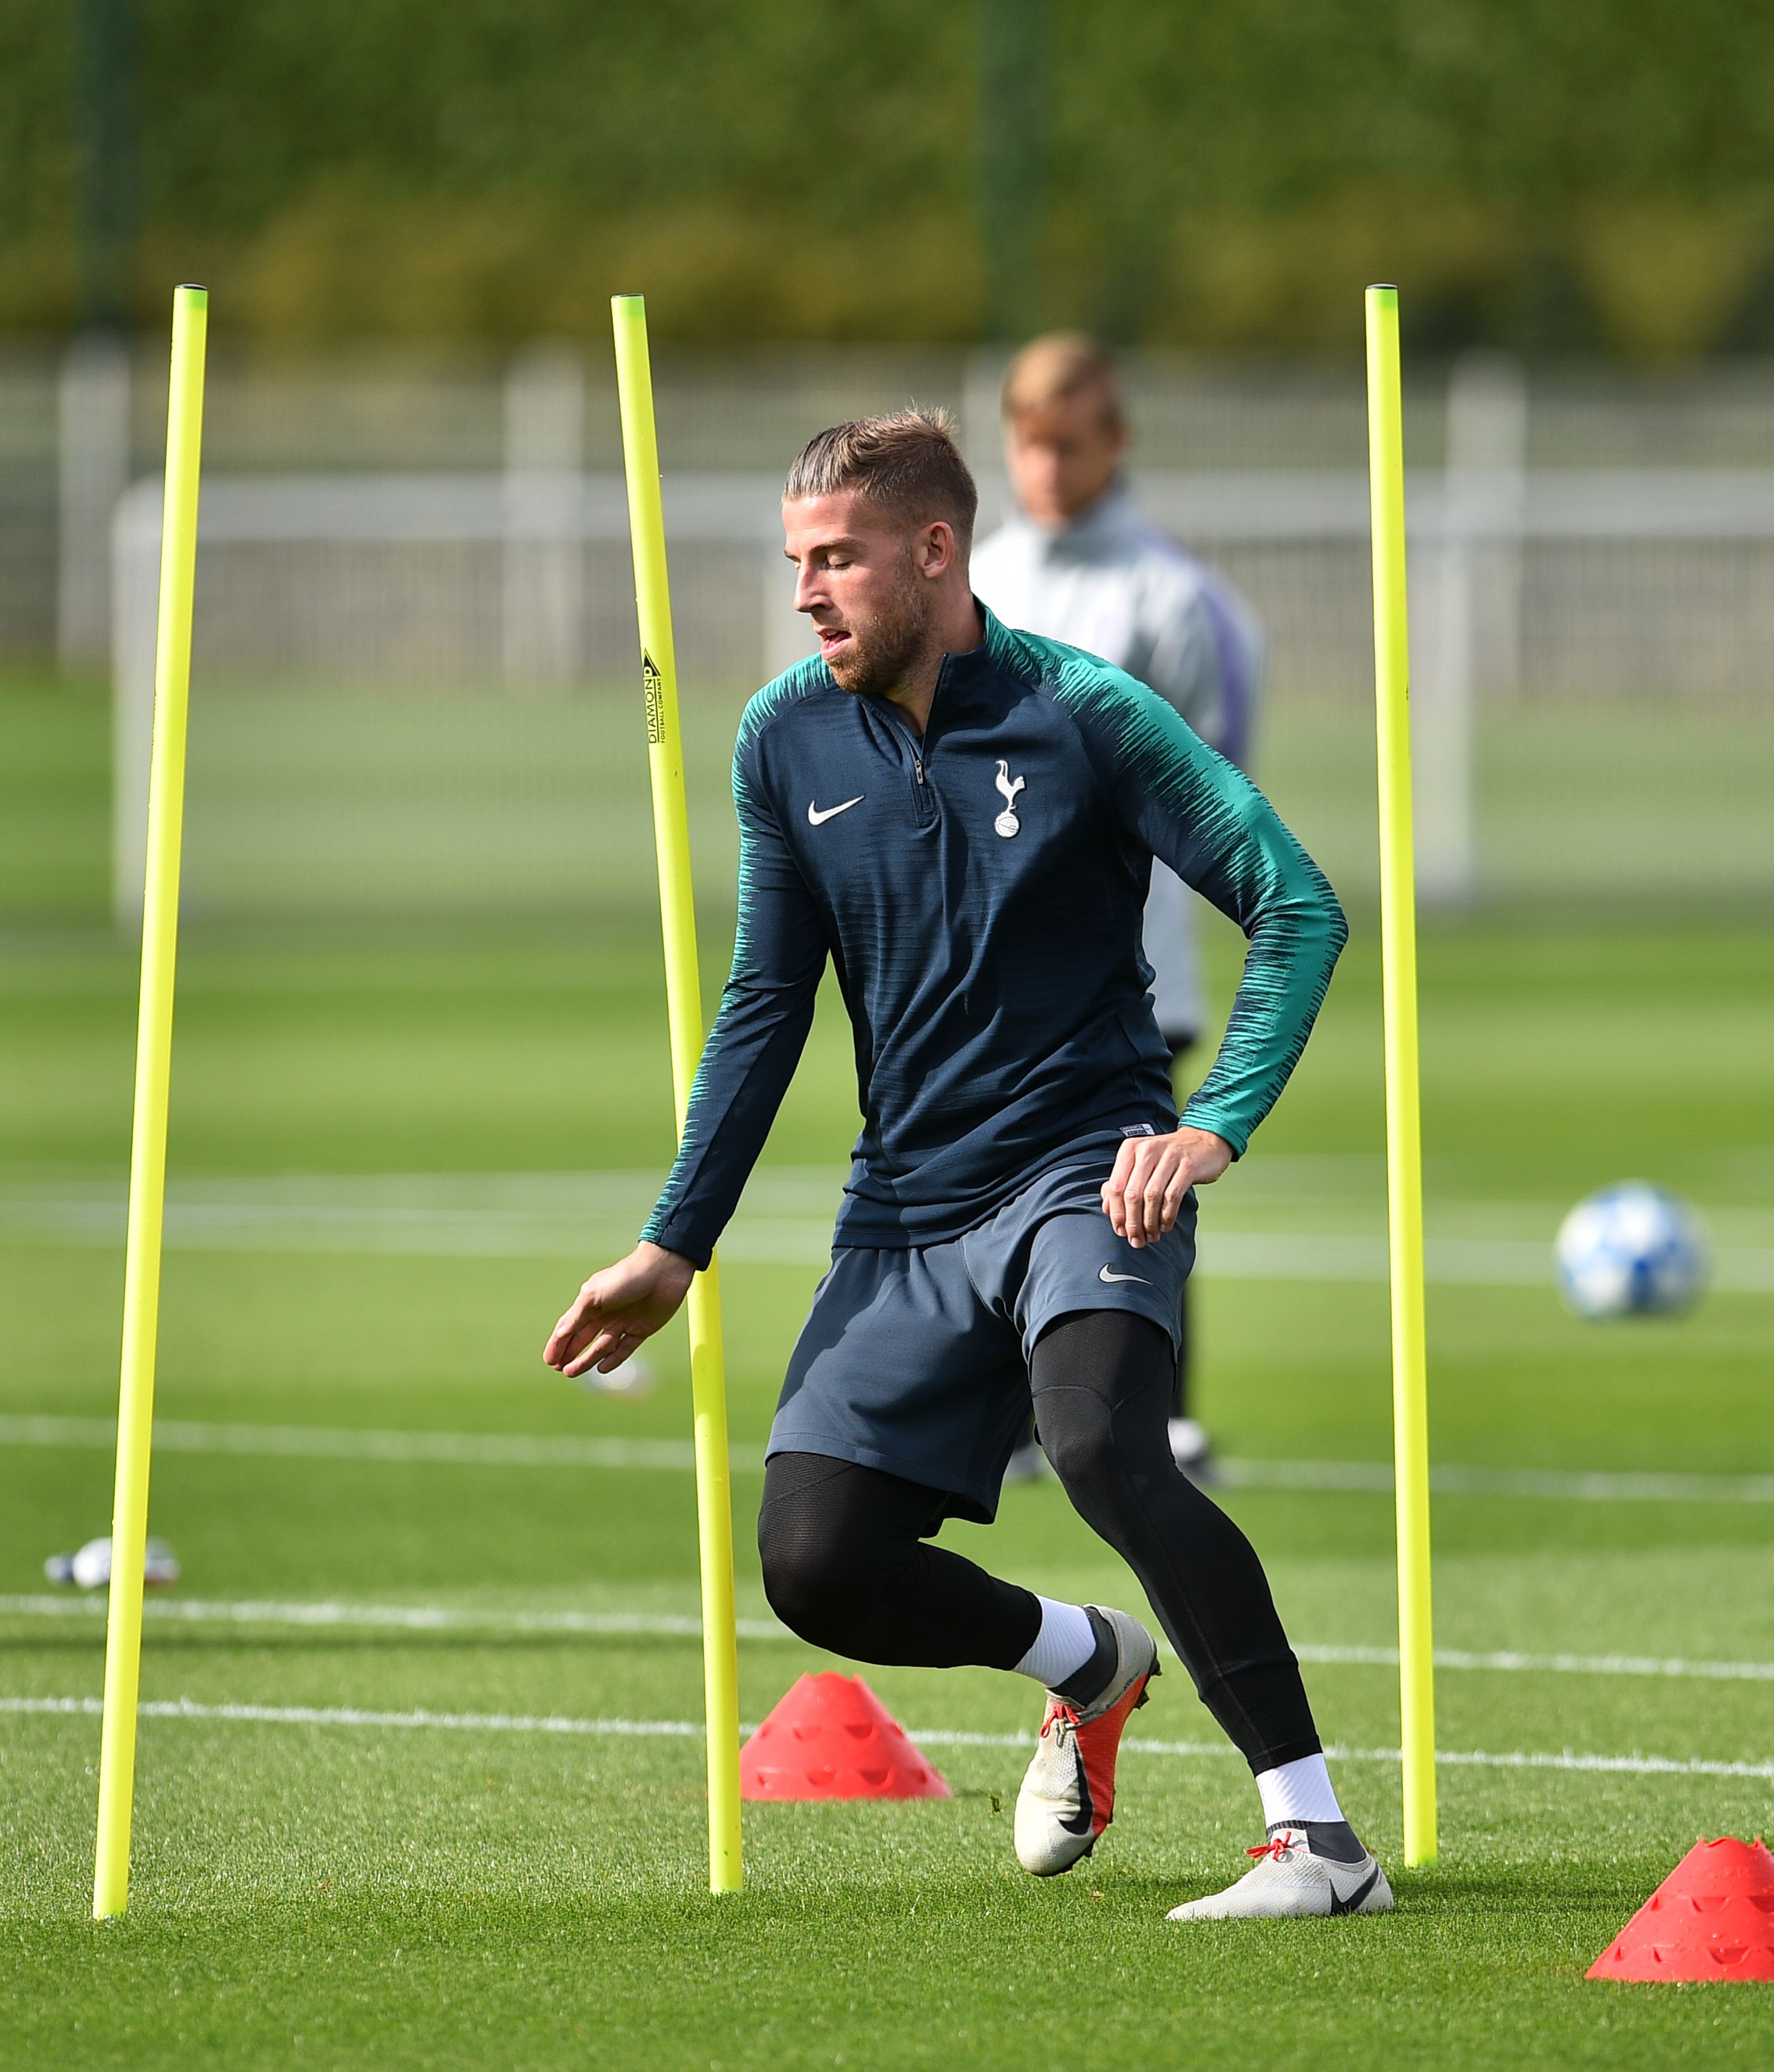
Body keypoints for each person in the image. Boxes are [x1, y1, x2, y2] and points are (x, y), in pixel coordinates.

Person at [542, 411, 1384, 1921]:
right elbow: (762, 1005)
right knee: (815, 1563)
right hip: (907, 1207)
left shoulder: (1089, 714)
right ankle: (1087, 1662)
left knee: (1107, 1442)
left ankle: (1319, 1842)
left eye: (838, 559)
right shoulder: (778, 735)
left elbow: (1297, 904)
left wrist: (1214, 1121)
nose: (808, 591)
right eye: (795, 561)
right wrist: (677, 1241)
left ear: (936, 550)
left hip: (1085, 1167)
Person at [972, 335, 1261, 1483]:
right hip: (989, 962)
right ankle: (999, 1415)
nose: (1045, 465)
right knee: (980, 1177)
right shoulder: (973, 576)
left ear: (1115, 443)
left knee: (1133, 1190)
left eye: (1068, 442)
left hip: (1132, 969)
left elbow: (1210, 785)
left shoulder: (1172, 597)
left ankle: (1152, 1413)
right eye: (1028, 443)